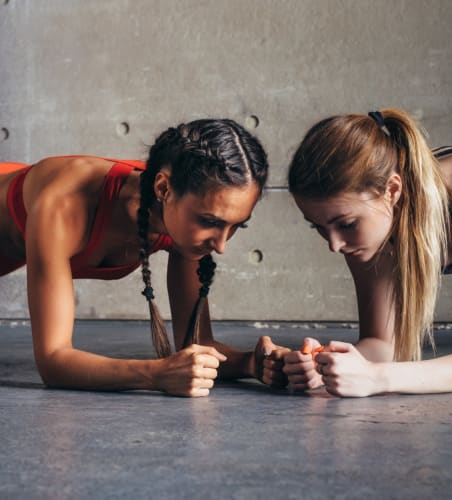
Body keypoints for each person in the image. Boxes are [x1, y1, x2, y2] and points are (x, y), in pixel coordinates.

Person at [0, 119, 287, 397]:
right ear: (163, 189)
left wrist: (251, 363)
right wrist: (155, 374)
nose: (222, 245)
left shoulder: (184, 225)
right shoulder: (63, 204)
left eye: (237, 225)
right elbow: (53, 361)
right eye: (209, 221)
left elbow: (196, 343)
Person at [283, 108, 452, 397]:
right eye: (318, 227)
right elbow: (383, 344)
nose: (334, 245)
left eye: (346, 224)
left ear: (392, 190)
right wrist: (324, 365)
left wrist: (376, 378)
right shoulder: (368, 228)